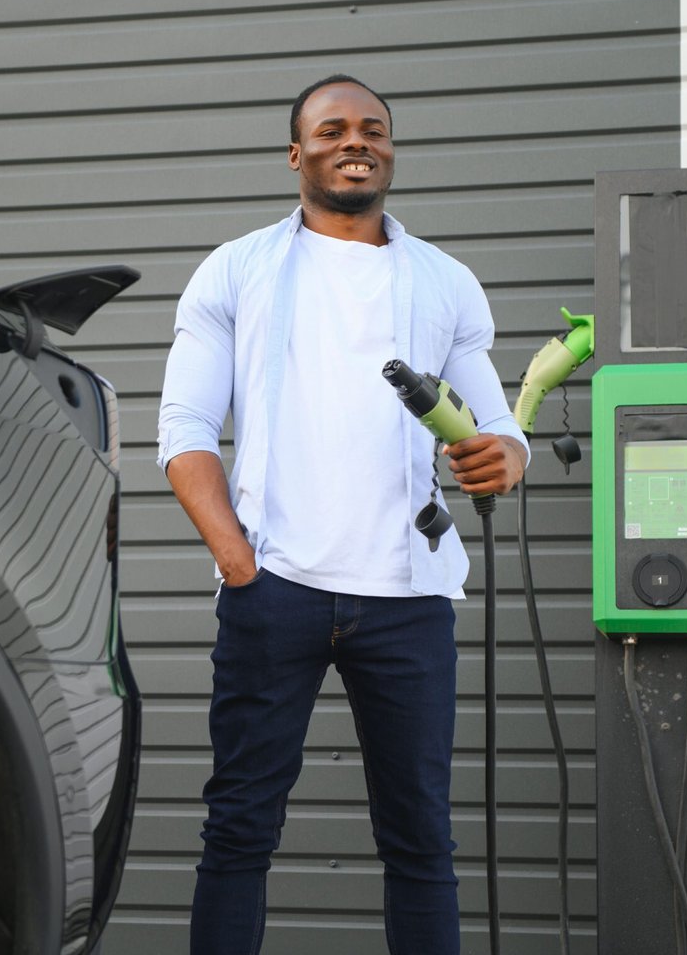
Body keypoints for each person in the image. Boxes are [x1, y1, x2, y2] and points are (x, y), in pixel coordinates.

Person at [157, 74, 529, 954]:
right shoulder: (238, 269)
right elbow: (184, 430)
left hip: (408, 599)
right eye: (332, 129)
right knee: (239, 834)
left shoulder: (445, 281)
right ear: (298, 154)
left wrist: (502, 458)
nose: (354, 140)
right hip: (274, 588)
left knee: (420, 844)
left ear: (390, 151)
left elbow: (499, 427)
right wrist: (239, 567)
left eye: (373, 129)